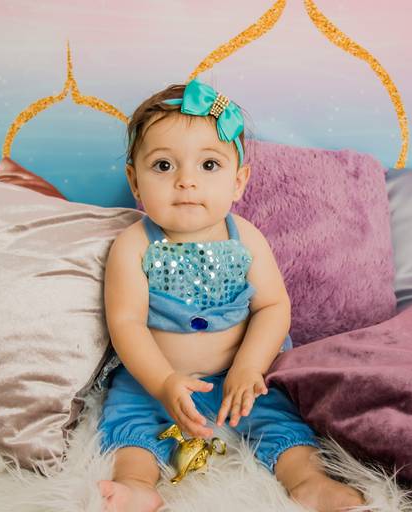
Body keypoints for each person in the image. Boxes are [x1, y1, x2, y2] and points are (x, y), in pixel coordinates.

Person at [97, 78, 365, 512]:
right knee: (129, 423)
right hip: (156, 378)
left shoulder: (246, 239)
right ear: (135, 181)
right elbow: (125, 323)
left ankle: (308, 480)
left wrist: (248, 366)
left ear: (238, 182)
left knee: (277, 418)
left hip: (234, 376)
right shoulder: (134, 245)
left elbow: (273, 307)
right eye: (164, 166)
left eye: (208, 165)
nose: (186, 181)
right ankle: (137, 485)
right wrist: (163, 382)